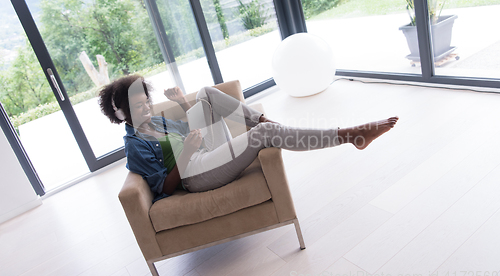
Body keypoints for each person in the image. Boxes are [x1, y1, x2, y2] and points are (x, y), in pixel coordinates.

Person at [98, 75, 398, 203]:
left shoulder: (158, 120)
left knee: (204, 93)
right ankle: (350, 136)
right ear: (121, 115)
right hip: (194, 176)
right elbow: (164, 188)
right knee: (264, 136)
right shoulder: (134, 147)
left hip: (206, 152)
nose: (147, 109)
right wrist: (188, 152)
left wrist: (184, 106)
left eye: (146, 102)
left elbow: (193, 131)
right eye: (138, 108)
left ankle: (263, 119)